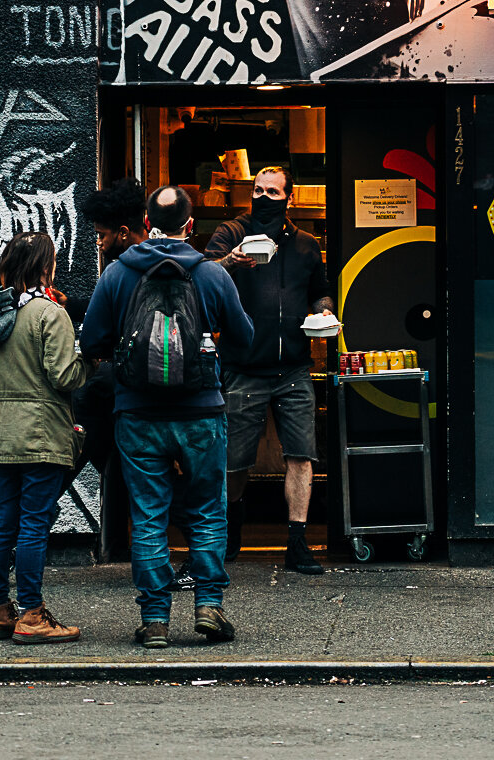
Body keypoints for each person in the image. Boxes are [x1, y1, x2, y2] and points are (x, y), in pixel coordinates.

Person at [80, 185, 253, 648]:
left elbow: (91, 341)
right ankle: (209, 607)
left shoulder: (117, 273)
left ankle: (155, 620)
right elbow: (245, 338)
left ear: (145, 219)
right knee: (207, 511)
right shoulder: (213, 276)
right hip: (201, 413)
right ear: (190, 226)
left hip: (137, 414)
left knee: (149, 513)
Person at [204, 166, 334, 575]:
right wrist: (232, 261)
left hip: (294, 367)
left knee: (301, 454)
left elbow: (320, 291)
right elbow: (203, 277)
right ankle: (232, 526)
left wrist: (324, 313)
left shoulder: (307, 246)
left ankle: (297, 541)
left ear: (289, 199)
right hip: (243, 366)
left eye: (273, 192)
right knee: (235, 461)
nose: (263, 197)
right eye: (258, 190)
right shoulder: (231, 232)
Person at [0, 232, 89, 644]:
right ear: (46, 267)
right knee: (35, 522)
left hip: (3, 432)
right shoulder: (48, 313)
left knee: (3, 519)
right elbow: (64, 376)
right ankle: (33, 614)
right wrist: (88, 359)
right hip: (42, 433)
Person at [73, 179, 150, 564]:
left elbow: (93, 341)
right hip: (160, 393)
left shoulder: (117, 272)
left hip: (115, 390)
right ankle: (123, 546)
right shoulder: (177, 265)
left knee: (75, 461)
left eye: (103, 235)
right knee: (127, 468)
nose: (100, 243)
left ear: (123, 233)